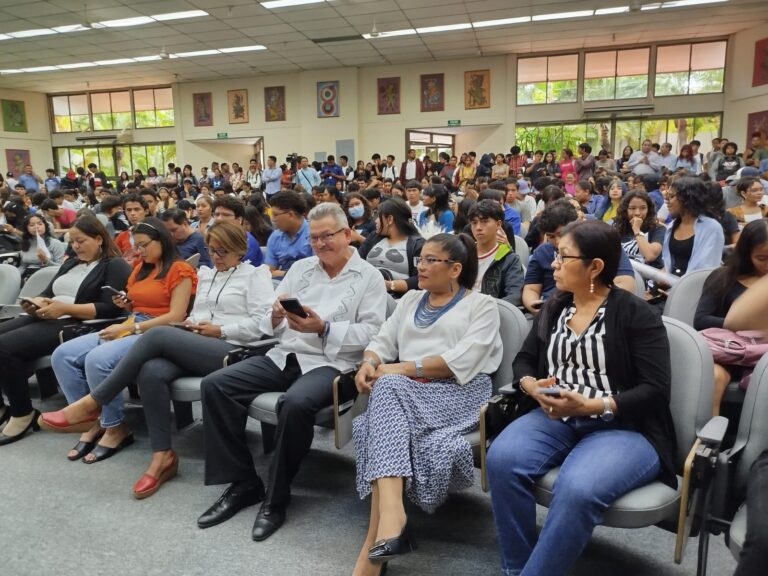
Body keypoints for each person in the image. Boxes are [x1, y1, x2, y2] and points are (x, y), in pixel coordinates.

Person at [487, 219, 677, 576]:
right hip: (555, 415)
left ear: (595, 267)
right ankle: (517, 568)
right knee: (501, 459)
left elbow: (655, 390)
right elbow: (525, 360)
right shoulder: (557, 306)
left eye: (563, 257)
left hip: (622, 426)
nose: (553, 265)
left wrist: (593, 405)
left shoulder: (636, 314)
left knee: (577, 488)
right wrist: (532, 386)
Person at [39, 222, 275, 498]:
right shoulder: (208, 274)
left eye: (223, 251)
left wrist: (222, 329)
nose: (216, 256)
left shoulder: (254, 276)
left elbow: (263, 324)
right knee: (151, 370)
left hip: (234, 351)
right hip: (198, 344)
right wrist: (192, 325)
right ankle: (163, 456)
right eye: (211, 250)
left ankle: (93, 402)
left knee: (157, 333)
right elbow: (195, 314)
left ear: (240, 249)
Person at [196, 203, 387, 541]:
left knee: (295, 403)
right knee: (215, 385)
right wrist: (275, 315)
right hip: (287, 353)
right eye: (313, 238)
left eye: (327, 236)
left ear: (346, 234)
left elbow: (374, 334)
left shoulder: (368, 277)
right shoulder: (300, 268)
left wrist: (323, 327)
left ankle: (276, 497)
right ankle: (243, 482)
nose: (320, 244)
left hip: (334, 362)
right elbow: (265, 324)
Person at [351, 232, 501, 575]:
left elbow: (461, 360)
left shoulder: (481, 305)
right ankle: (384, 536)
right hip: (408, 391)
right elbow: (382, 339)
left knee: (382, 400)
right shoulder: (410, 301)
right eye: (420, 259)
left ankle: (384, 532)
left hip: (459, 392)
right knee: (383, 400)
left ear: (455, 269)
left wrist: (398, 368)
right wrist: (369, 363)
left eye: (431, 260)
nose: (421, 265)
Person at [42, 218, 197, 463]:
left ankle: (115, 427)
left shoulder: (179, 269)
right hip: (132, 322)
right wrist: (126, 303)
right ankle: (92, 422)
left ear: (162, 242)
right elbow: (138, 302)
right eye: (138, 245)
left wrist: (135, 326)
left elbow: (176, 316)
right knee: (63, 354)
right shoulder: (141, 267)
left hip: (158, 331)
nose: (140, 251)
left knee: (98, 359)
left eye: (145, 245)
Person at [0, 216, 131, 446]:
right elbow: (49, 292)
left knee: (5, 348)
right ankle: (4, 407)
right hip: (48, 314)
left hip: (75, 322)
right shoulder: (71, 263)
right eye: (72, 242)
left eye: (81, 241)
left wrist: (63, 308)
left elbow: (109, 309)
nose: (75, 246)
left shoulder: (114, 265)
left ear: (99, 238)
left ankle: (22, 412)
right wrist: (36, 302)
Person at [694, 220, 768, 415]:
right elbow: (701, 320)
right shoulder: (723, 277)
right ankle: (706, 440)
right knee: (714, 377)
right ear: (746, 254)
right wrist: (746, 327)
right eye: (762, 258)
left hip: (762, 355)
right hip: (728, 351)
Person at [522, 199, 636, 314]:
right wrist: (536, 307)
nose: (558, 241)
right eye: (551, 236)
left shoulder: (603, 246)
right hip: (549, 311)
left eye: (561, 234)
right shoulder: (542, 252)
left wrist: (588, 307)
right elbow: (531, 288)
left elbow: (625, 284)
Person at [359, 198, 425, 298]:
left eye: (378, 216)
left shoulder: (417, 244)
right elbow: (357, 261)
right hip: (365, 293)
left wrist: (390, 285)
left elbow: (421, 278)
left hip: (397, 299)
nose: (375, 221)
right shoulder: (373, 237)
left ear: (389, 219)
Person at [662, 177, 725, 276]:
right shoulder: (672, 225)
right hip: (670, 282)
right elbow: (668, 262)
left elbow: (704, 268)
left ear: (687, 199)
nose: (667, 201)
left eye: (671, 196)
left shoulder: (712, 228)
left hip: (693, 286)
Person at [468, 200, 524, 305]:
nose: (478, 228)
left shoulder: (509, 258)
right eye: (474, 223)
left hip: (492, 312)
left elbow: (515, 296)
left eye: (484, 221)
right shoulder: (463, 253)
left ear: (498, 224)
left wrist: (488, 308)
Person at [265, 191, 313, 279]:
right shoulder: (275, 237)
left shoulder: (315, 233)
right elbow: (268, 273)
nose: (272, 219)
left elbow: (317, 270)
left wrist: (284, 274)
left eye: (275, 215)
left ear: (290, 215)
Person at [615, 191, 666, 270]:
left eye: (643, 208)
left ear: (648, 210)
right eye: (632, 208)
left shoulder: (658, 229)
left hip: (647, 278)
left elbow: (650, 256)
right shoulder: (617, 226)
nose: (637, 213)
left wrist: (636, 229)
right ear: (625, 210)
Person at [213, 196, 263, 267]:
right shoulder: (219, 238)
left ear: (239, 220)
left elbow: (229, 272)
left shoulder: (246, 243)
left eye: (226, 215)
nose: (219, 219)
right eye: (217, 214)